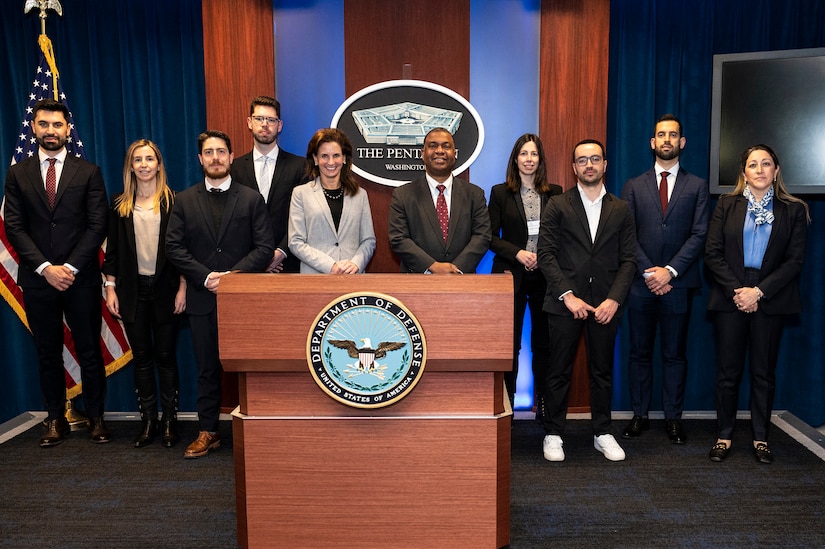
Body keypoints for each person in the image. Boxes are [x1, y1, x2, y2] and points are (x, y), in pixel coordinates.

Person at [3, 98, 110, 446]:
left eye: (57, 125)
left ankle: (96, 418)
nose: (51, 131)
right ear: (33, 127)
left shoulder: (89, 172)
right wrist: (47, 268)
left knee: (89, 350)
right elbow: (15, 228)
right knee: (47, 352)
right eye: (44, 124)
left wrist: (71, 267)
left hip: (81, 279)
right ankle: (54, 419)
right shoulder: (18, 173)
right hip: (38, 279)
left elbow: (97, 226)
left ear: (68, 129)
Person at [166, 130, 274, 458]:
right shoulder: (184, 200)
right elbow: (173, 246)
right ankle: (208, 430)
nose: (215, 157)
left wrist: (232, 277)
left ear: (230, 157)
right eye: (209, 152)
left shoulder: (251, 198)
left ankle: (258, 429)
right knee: (207, 368)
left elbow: (265, 247)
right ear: (200, 159)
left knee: (251, 367)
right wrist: (206, 276)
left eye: (221, 152)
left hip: (243, 299)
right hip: (203, 297)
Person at [705, 144, 808, 465]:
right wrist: (739, 291)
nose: (760, 169)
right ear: (744, 173)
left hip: (770, 296)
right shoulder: (726, 204)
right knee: (728, 373)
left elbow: (794, 261)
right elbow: (712, 253)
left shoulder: (793, 210)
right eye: (753, 165)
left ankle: (761, 437)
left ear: (776, 171)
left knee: (763, 373)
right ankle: (724, 435)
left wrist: (758, 292)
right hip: (730, 295)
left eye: (766, 164)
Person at [537, 139, 636, 462]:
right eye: (582, 160)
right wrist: (568, 295)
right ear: (574, 167)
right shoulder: (557, 205)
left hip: (606, 305)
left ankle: (603, 433)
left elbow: (629, 260)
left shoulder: (621, 208)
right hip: (565, 303)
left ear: (605, 164)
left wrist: (614, 300)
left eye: (595, 159)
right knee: (558, 371)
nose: (589, 165)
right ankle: (553, 433)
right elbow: (546, 254)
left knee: (602, 371)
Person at [620, 115, 709, 445]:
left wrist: (669, 271)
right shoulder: (633, 185)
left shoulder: (697, 186)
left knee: (675, 355)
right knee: (639, 353)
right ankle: (640, 415)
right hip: (641, 284)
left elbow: (699, 234)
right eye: (661, 135)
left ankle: (673, 418)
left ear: (682, 142)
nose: (667, 139)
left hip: (679, 284)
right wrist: (650, 272)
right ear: (652, 143)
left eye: (673, 135)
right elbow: (627, 235)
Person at [103, 139, 187, 448]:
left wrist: (183, 287)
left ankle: (169, 423)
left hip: (166, 290)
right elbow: (112, 252)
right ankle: (149, 422)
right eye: (137, 159)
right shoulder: (119, 205)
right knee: (142, 358)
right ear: (130, 167)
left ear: (159, 164)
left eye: (149, 159)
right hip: (131, 290)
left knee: (165, 356)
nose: (144, 164)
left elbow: (183, 251)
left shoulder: (175, 202)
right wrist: (109, 287)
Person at [488, 133, 562, 410]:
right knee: (510, 345)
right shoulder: (499, 192)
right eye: (523, 154)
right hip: (511, 276)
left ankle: (542, 404)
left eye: (534, 154)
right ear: (515, 159)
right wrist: (517, 253)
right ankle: (507, 405)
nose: (529, 159)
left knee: (544, 344)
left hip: (546, 276)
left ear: (540, 159)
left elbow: (561, 235)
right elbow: (489, 236)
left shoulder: (555, 193)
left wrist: (543, 256)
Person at [388, 127, 491, 274]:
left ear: (454, 154)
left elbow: (482, 236)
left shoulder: (474, 194)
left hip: (463, 282)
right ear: (423, 154)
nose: (440, 150)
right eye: (433, 146)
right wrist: (433, 266)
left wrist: (455, 269)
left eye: (446, 146)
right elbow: (398, 239)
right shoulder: (403, 195)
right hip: (417, 282)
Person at [231, 96, 306, 273]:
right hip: (245, 265)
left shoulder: (300, 167)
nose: (265, 124)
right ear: (249, 122)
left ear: (279, 125)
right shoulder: (234, 169)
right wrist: (258, 259)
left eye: (271, 120)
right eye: (259, 118)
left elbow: (304, 217)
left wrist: (280, 252)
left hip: (288, 264)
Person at [288, 129, 375, 274]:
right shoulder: (300, 194)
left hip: (353, 278)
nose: (331, 162)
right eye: (324, 156)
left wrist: (356, 264)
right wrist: (331, 265)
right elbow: (295, 242)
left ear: (344, 158)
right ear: (315, 159)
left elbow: (368, 240)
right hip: (315, 278)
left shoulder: (360, 195)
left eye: (336, 155)